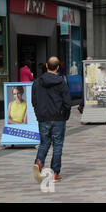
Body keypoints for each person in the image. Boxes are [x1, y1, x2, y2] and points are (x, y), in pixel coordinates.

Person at [32, 56, 72, 184]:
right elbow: (67, 102)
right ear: (58, 67)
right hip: (58, 117)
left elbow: (34, 101)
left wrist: (39, 113)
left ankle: (39, 162)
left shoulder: (37, 82)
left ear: (47, 66)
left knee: (44, 142)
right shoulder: (61, 82)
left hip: (43, 117)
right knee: (58, 145)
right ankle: (55, 173)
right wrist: (66, 115)